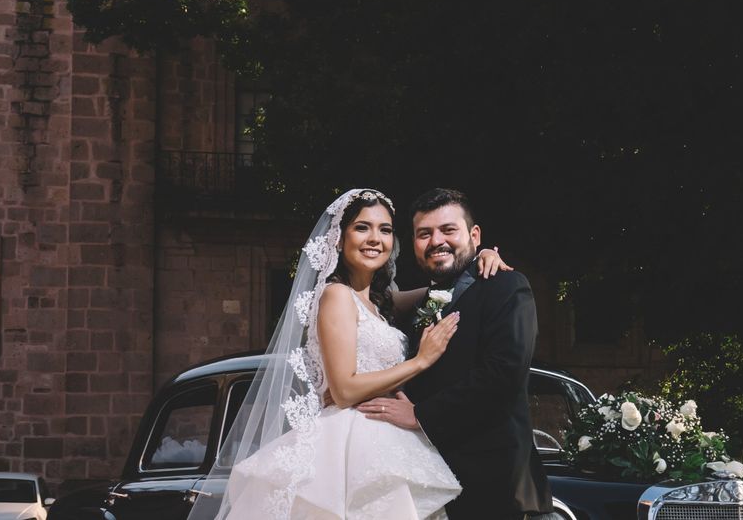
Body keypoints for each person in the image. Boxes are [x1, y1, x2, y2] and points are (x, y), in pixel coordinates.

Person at [190, 189, 510, 520]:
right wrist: (420, 361)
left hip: (387, 441)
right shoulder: (336, 295)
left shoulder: (382, 302)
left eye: (385, 230)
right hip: (347, 446)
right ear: (339, 239)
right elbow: (342, 390)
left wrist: (480, 256)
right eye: (362, 227)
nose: (375, 239)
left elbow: (444, 290)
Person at [358, 188, 554, 519]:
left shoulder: (507, 286)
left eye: (448, 230)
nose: (437, 241)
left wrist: (420, 414)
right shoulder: (415, 307)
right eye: (425, 234)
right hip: (425, 486)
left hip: (495, 490)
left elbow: (503, 375)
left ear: (474, 235)